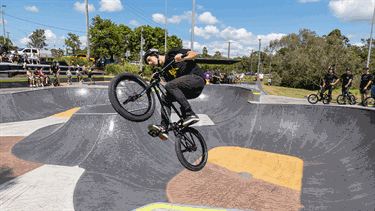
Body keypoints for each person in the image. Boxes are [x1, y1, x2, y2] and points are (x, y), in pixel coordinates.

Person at [143, 48, 206, 140]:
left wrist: (183, 57)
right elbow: (170, 88)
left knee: (170, 86)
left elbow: (194, 54)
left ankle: (190, 113)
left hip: (196, 80)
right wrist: (160, 81)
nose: (149, 63)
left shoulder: (171, 54)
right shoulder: (165, 72)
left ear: (155, 54)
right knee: (165, 97)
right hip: (188, 90)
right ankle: (164, 127)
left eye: (149, 60)